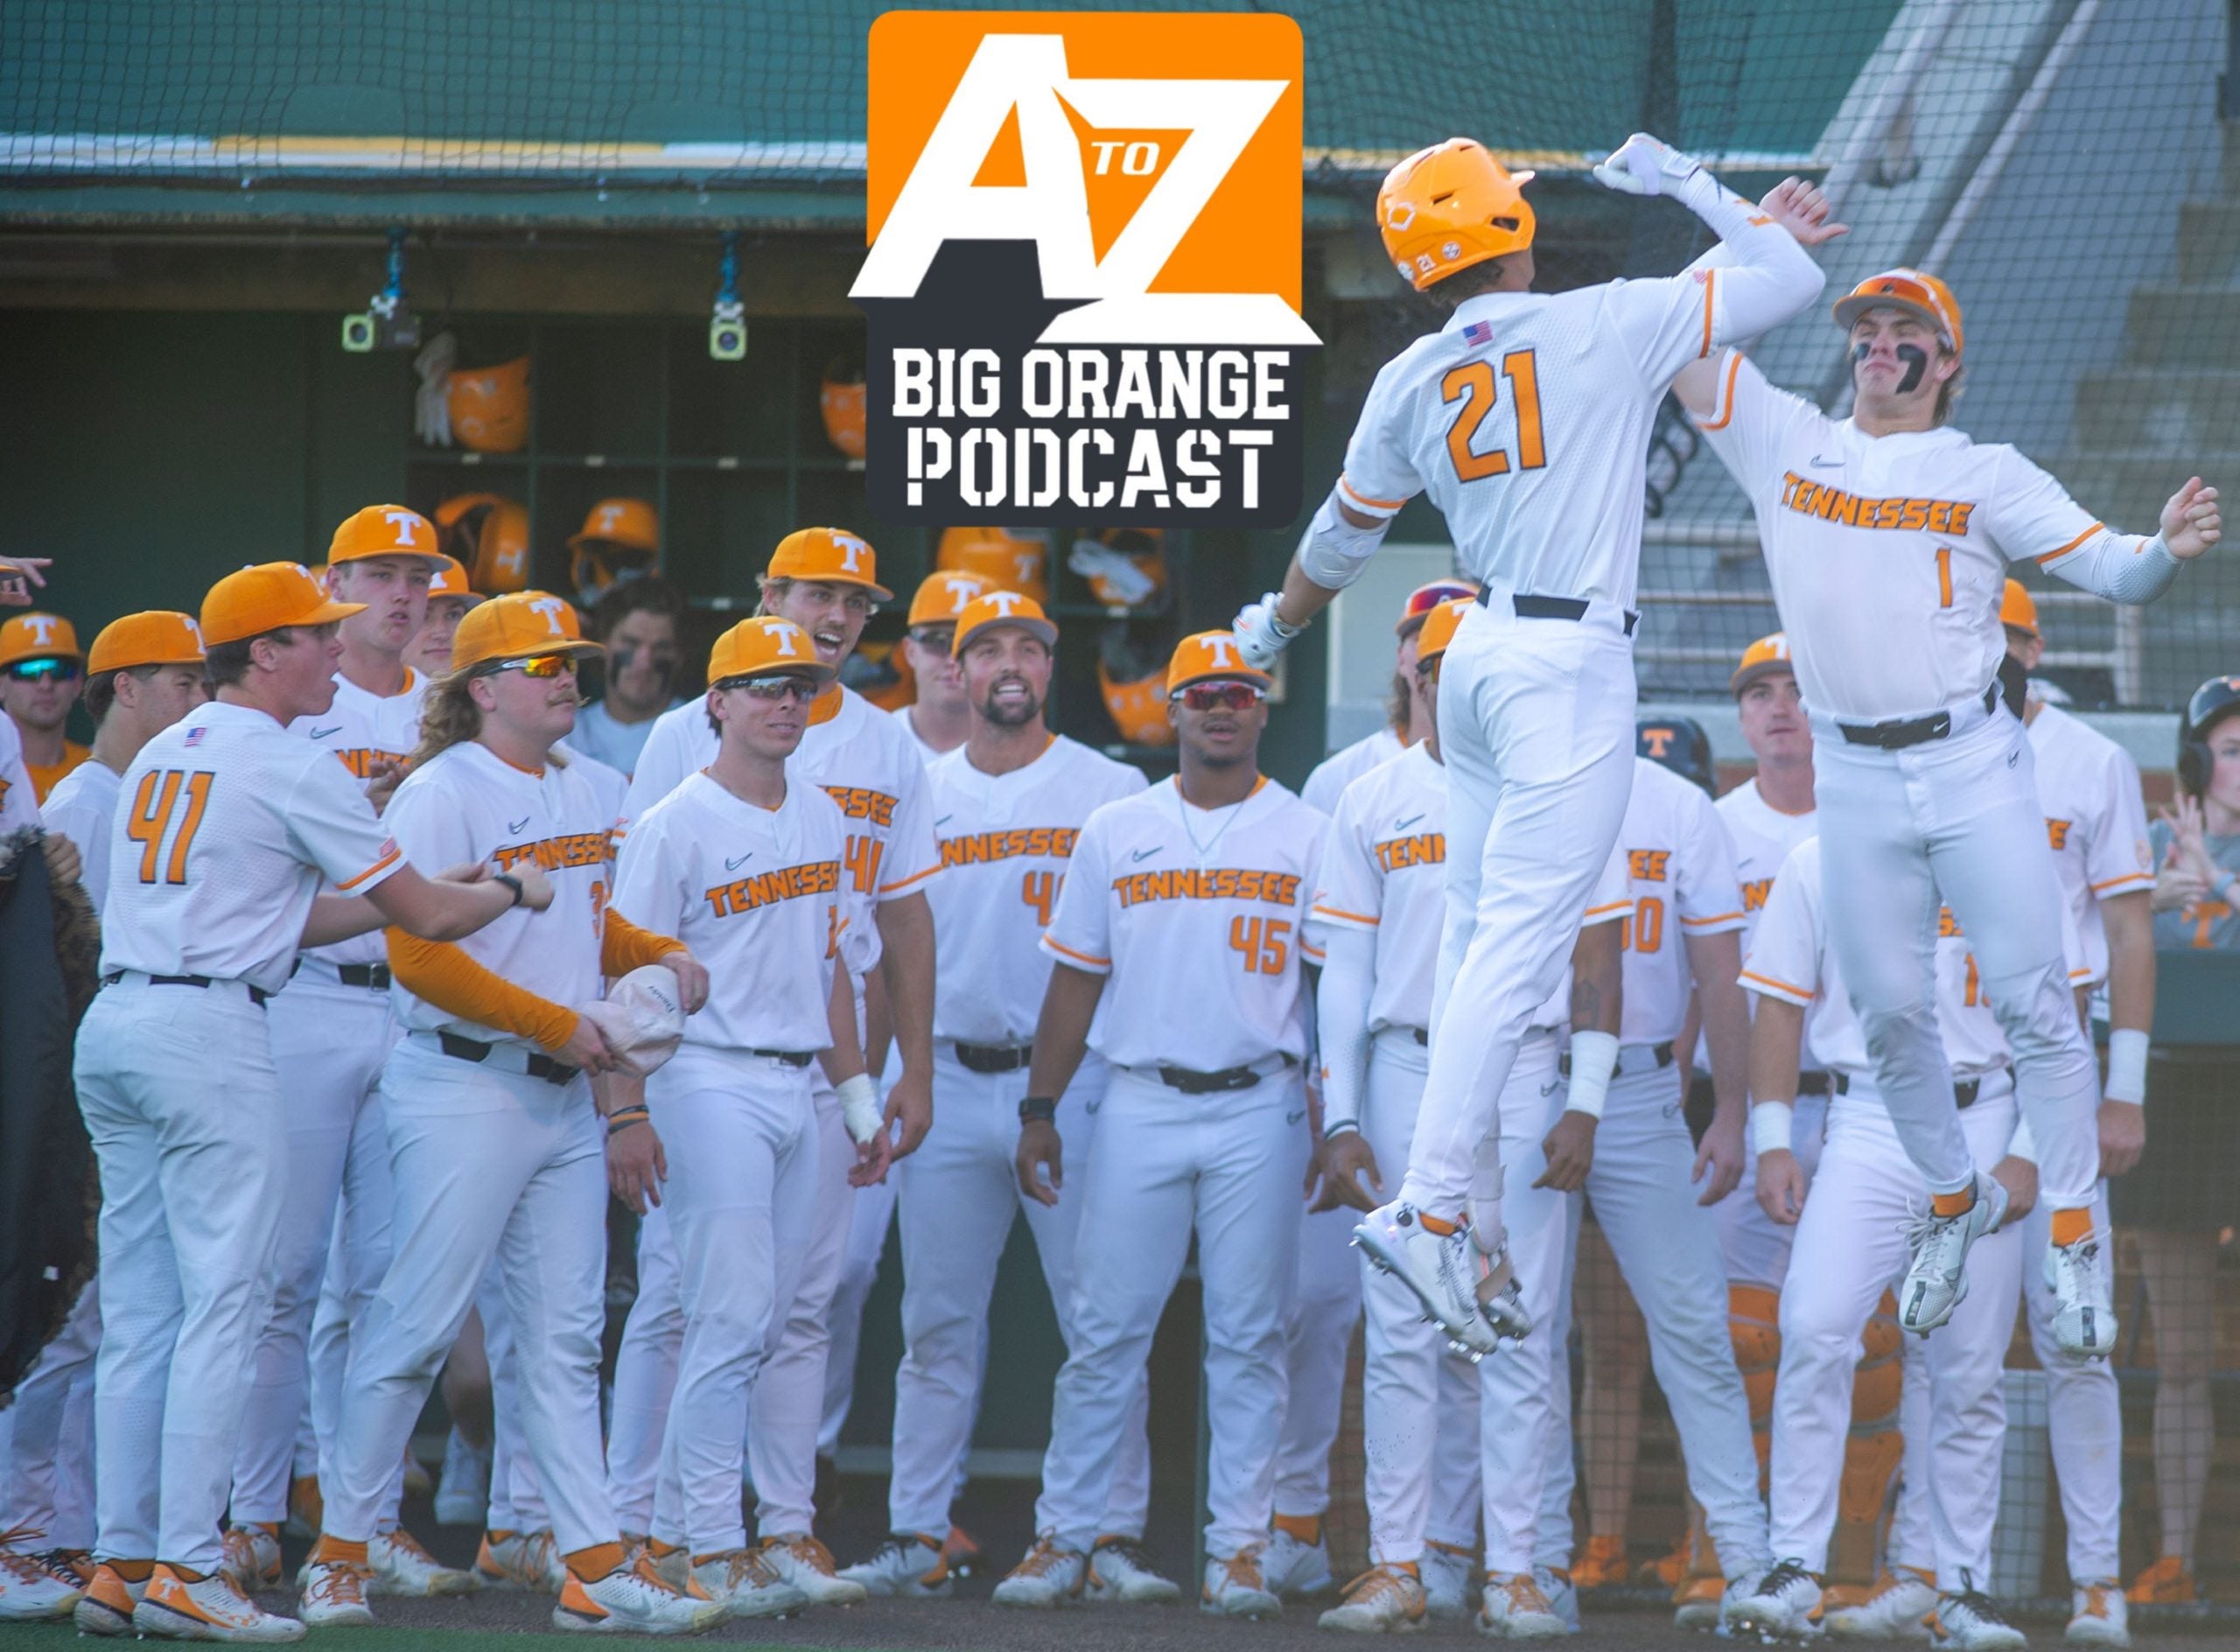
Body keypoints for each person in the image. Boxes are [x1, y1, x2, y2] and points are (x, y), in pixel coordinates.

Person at [1230, 137, 1830, 1356]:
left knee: (1472, 950)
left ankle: (1478, 1225)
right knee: (1516, 947)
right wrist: (1689, 186)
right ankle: (1436, 1208)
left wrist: (1266, 626)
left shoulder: (1407, 374)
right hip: (1566, 666)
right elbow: (1790, 278)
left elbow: (1340, 540)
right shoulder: (1606, 321)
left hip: (1480, 652)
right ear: (1519, 228)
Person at [1676, 268, 2221, 1358]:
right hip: (1854, 771)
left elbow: (2117, 573)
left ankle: (2070, 1232)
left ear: (1948, 361)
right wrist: (1741, 229)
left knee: (2033, 1006)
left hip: (1970, 760)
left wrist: (2162, 546)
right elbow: (1683, 338)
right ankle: (1947, 1197)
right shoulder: (1789, 438)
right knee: (1886, 1014)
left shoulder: (1984, 471)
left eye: (1903, 330)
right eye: (1867, 328)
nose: (1878, 343)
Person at [70, 561, 545, 1642]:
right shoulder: (290, 759)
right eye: (317, 634)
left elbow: (292, 918)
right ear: (266, 651)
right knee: (226, 1305)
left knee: (144, 1316)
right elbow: (419, 908)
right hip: (212, 1036)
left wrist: (458, 890)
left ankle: (121, 1561)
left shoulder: (161, 750)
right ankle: (189, 1568)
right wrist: (510, 888)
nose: (340, 649)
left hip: (127, 1022)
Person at [298, 591, 719, 1636]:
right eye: (543, 665)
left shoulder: (590, 783)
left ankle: (590, 1564)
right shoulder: (442, 790)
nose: (567, 677)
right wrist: (560, 1027)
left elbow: (585, 916)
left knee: (566, 1337)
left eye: (569, 662)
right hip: (461, 1081)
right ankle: (341, 1552)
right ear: (485, 687)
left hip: (555, 1092)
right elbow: (419, 951)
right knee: (414, 1322)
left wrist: (654, 954)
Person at [615, 528, 940, 1606]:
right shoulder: (670, 804)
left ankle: (718, 1533)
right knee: (715, 1306)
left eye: (797, 689)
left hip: (802, 1073)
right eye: (763, 688)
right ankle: (686, 1536)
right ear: (718, 700)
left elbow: (838, 966)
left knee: (782, 1307)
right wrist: (626, 1110)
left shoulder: (822, 801)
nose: (786, 704)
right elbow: (619, 969)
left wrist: (860, 1098)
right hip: (703, 1073)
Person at [1308, 595, 1629, 1634]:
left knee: (1521, 1331)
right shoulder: (1373, 794)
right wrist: (1341, 1108)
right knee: (1400, 1326)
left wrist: (1584, 1100)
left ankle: (1518, 1573)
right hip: (1406, 1067)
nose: (1449, 684)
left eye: (1465, 666)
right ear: (1413, 677)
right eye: (1434, 668)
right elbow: (1344, 968)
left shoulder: (1565, 791)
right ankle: (1397, 1563)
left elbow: (1596, 957)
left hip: (1530, 1077)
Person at [992, 632, 1326, 1616]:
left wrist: (1330, 1107)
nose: (1220, 707)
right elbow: (1074, 979)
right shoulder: (1116, 825)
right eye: (1201, 695)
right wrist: (1040, 1108)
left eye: (1237, 692)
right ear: (1170, 710)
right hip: (1136, 1094)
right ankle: (1063, 1536)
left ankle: (1238, 1550)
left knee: (1252, 1335)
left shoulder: (1305, 830)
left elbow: (1331, 982)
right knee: (1104, 1331)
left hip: (1261, 1098)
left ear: (1261, 708)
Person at [841, 592, 1158, 1600]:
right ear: (955, 671)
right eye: (987, 650)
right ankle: (918, 1528)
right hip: (941, 1075)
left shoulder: (1109, 787)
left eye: (1030, 646)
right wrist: (880, 1087)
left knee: (1096, 1317)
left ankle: (1107, 1533)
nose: (1009, 664)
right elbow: (883, 955)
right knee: (935, 1321)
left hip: (1070, 1082)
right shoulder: (918, 790)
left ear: (1051, 666)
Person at [1731, 835, 2085, 1648]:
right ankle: (1794, 1564)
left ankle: (1960, 1587)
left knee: (1964, 1367)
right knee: (1815, 1327)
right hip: (1868, 1120)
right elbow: (1778, 1005)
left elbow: (2057, 1025)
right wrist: (1774, 1137)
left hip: (1983, 1114)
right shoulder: (1821, 857)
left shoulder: (2016, 861)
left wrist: (2029, 1148)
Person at [225, 506, 465, 1600]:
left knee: (380, 1283)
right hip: (307, 992)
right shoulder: (296, 706)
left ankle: (359, 1518)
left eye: (419, 575)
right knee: (280, 1273)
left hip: (411, 1002)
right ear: (333, 582)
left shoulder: (444, 707)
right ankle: (249, 1506)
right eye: (379, 574)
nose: (403, 594)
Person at [0, 612, 206, 1628]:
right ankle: (18, 1530)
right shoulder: (84, 798)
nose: (198, 699)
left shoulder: (154, 789)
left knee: (116, 1313)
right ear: (124, 688)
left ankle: (66, 1531)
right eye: (181, 681)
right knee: (70, 1314)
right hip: (81, 1080)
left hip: (118, 1078)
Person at [1992, 580, 2146, 1643]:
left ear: (2034, 645)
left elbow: (2131, 935)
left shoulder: (2093, 759)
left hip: (2059, 1082)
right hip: (1947, 1085)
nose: (1988, 651)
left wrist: (2124, 1088)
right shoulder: (1902, 752)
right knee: (1943, 1336)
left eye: (2004, 634)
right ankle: (1937, 1569)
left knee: (2077, 1337)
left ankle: (2098, 1581)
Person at [816, 567, 990, 1505]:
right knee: (823, 1275)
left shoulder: (1090, 781)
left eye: (969, 640)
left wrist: (901, 1068)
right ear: (914, 650)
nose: (949, 657)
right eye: (932, 636)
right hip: (829, 1055)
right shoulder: (865, 748)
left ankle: (908, 1508)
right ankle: (783, 1478)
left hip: (956, 1066)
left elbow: (903, 923)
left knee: (928, 1301)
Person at [2119, 674, 2240, 1609]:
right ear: (2197, 760)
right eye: (2231, 748)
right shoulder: (2153, 849)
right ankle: (2172, 1558)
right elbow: (2087, 969)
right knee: (2183, 1356)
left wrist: (2226, 889)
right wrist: (2160, 901)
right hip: (2171, 1099)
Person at [1298, 578, 1474, 816]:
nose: (1443, 656)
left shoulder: (1516, 768)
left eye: (1458, 639)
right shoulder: (1339, 779)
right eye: (1424, 640)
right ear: (1401, 658)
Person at [570, 578, 687, 778]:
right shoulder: (567, 732)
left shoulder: (697, 730)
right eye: (631, 643)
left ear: (679, 655)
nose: (644, 663)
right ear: (603, 643)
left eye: (661, 648)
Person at [888, 569, 989, 761]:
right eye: (936, 640)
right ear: (910, 651)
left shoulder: (1018, 752)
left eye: (971, 644)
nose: (953, 659)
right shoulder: (876, 740)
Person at [1, 612, 90, 802]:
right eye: (28, 671)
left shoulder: (98, 770)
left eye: (60, 670)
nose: (45, 685)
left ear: (78, 683)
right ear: (1, 686)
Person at [404, 555, 484, 681]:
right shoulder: (366, 697)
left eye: (453, 615)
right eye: (424, 616)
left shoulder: (492, 696)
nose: (441, 633)